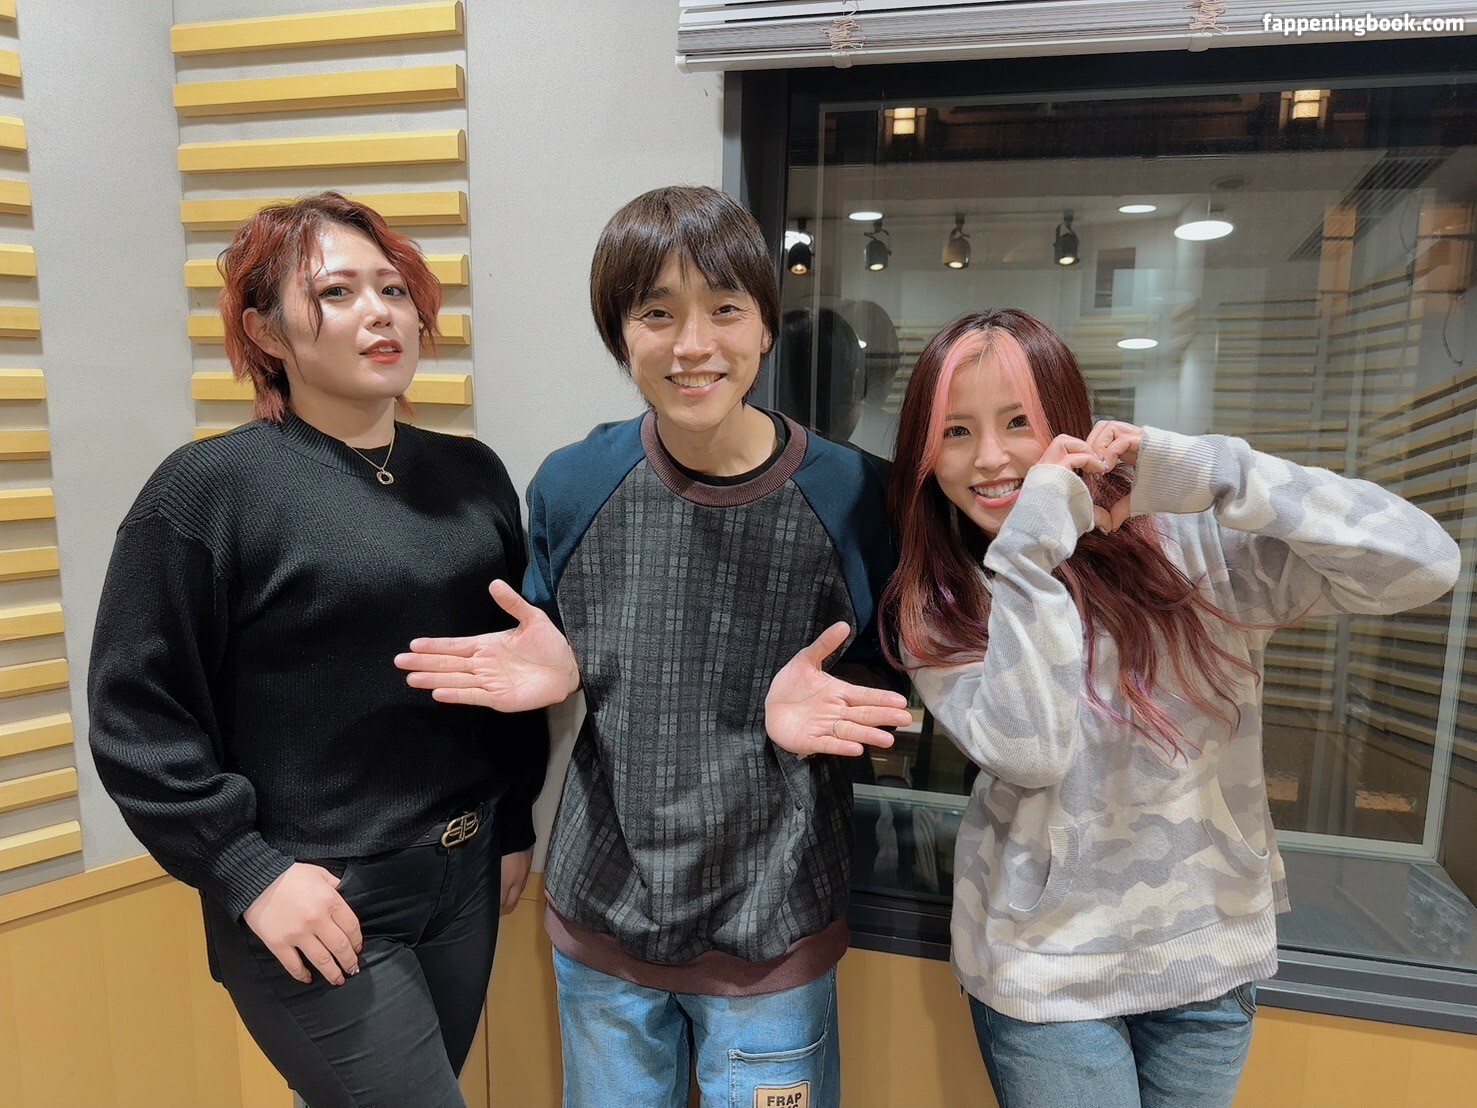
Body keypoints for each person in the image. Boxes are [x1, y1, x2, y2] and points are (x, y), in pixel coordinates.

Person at [395, 185, 913, 1108]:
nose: (692, 345)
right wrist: (559, 677)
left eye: (725, 310)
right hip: (605, 916)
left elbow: (899, 674)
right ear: (620, 334)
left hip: (774, 924)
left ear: (765, 326)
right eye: (656, 314)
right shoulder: (573, 482)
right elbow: (538, 654)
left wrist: (844, 696)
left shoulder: (853, 493)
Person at [881, 308, 1460, 1108]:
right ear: (922, 452)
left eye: (1018, 422)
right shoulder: (939, 604)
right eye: (954, 431)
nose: (989, 457)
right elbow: (1030, 753)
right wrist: (1030, 553)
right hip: (1047, 971)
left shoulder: (1188, 547)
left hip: (1207, 953)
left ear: (1067, 422)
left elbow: (1423, 564)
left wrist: (1217, 472)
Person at [88, 192, 548, 1108]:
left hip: (462, 875)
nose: (381, 313)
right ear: (265, 332)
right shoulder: (211, 488)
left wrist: (510, 824)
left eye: (393, 289)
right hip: (316, 895)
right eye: (337, 293)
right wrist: (248, 873)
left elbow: (503, 666)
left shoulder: (471, 472)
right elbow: (135, 715)